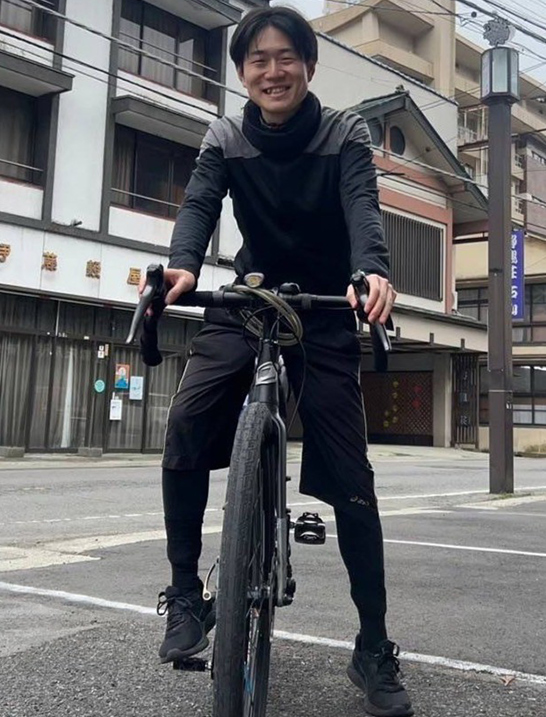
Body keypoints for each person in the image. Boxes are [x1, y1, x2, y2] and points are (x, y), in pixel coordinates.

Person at [152, 7, 413, 716]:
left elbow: (362, 207)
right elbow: (200, 204)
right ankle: (186, 593)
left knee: (351, 476)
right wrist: (182, 265)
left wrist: (371, 271)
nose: (273, 71)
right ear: (243, 73)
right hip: (252, 296)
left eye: (285, 57)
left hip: (326, 304)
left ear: (309, 65)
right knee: (187, 420)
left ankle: (373, 645)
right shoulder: (226, 135)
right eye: (257, 60)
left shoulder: (344, 132)